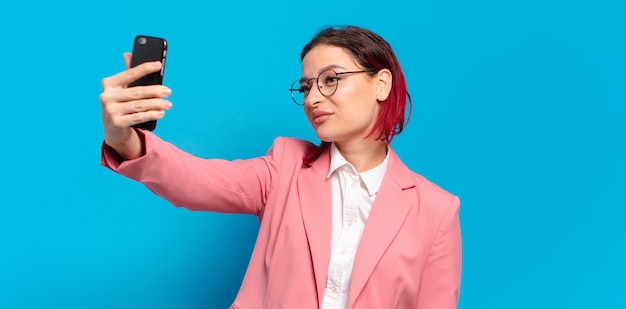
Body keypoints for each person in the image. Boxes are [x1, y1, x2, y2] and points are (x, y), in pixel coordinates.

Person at [100, 26, 461, 309]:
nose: (314, 98)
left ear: (381, 83)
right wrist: (125, 140)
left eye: (330, 79)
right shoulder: (285, 165)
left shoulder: (436, 211)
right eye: (306, 87)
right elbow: (195, 181)